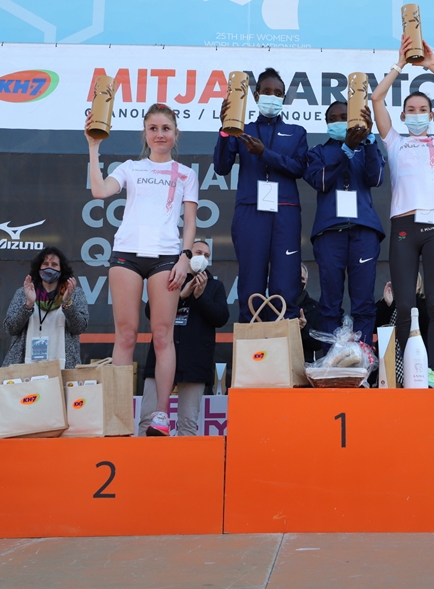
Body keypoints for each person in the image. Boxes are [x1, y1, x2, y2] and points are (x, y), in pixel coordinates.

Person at [87, 103, 199, 437]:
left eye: (166, 128)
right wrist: (93, 147)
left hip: (166, 257)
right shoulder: (130, 168)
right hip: (127, 255)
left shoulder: (186, 174)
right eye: (153, 128)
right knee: (126, 335)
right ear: (145, 133)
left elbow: (190, 222)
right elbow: (99, 191)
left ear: (176, 133)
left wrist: (185, 257)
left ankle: (161, 416)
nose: (160, 134)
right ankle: (119, 414)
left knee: (163, 336)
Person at [371, 35, 434, 372]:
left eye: (422, 110)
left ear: (431, 114)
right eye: (410, 110)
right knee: (405, 305)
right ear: (403, 115)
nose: (416, 114)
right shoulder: (393, 141)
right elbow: (376, 98)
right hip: (403, 227)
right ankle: (406, 371)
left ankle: (432, 373)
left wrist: (432, 65)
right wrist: (399, 64)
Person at [214, 68, 308, 323]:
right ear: (256, 96)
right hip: (250, 210)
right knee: (250, 284)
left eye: (278, 93)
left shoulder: (296, 132)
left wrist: (264, 153)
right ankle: (250, 344)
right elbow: (221, 167)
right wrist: (225, 130)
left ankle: (285, 344)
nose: (272, 97)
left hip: (285, 212)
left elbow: (299, 168)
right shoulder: (241, 129)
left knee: (285, 285)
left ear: (284, 98)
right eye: (267, 92)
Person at [303, 101, 385, 345]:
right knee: (330, 302)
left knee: (364, 302)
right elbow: (320, 181)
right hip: (329, 232)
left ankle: (363, 359)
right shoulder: (317, 152)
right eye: (333, 118)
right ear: (327, 123)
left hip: (364, 231)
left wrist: (369, 139)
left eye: (344, 117)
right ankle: (332, 360)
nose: (338, 122)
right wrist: (346, 149)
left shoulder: (367, 147)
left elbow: (376, 178)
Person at [138, 239, 229, 436]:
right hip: (160, 361)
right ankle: (144, 456)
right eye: (198, 253)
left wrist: (200, 297)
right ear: (186, 255)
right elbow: (150, 311)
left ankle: (183, 458)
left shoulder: (215, 286)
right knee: (148, 420)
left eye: (206, 256)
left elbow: (221, 317)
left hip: (195, 362)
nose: (202, 258)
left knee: (187, 423)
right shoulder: (168, 279)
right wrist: (181, 296)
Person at [3, 247, 88, 369]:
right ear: (39, 267)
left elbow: (79, 328)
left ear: (61, 269)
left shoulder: (74, 294)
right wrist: (28, 305)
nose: (49, 268)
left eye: (54, 265)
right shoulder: (24, 293)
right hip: (25, 367)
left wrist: (67, 303)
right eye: (45, 264)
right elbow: (10, 329)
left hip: (64, 366)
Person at [374, 276, 429, 387]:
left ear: (418, 285)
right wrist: (388, 305)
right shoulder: (389, 301)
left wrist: (412, 298)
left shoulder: (423, 303)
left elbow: (425, 324)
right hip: (389, 362)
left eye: (412, 282)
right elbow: (376, 327)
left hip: (415, 359)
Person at [297, 264, 323, 364]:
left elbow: (318, 344)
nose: (298, 282)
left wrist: (304, 327)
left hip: (304, 364)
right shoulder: (275, 304)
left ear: (306, 281)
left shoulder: (314, 307)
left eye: (301, 279)